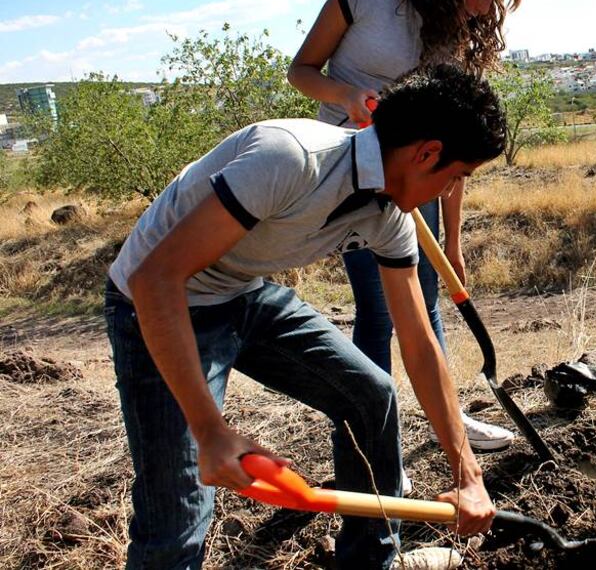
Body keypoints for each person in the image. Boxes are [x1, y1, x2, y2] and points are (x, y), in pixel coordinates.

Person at [105, 66, 502, 569]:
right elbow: (153, 278)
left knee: (371, 396)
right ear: (426, 154)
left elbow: (420, 345)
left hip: (242, 293)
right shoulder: (291, 158)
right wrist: (209, 430)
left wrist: (468, 473)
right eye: (457, 176)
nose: (450, 192)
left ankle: (370, 561)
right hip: (155, 303)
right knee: (180, 507)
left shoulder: (392, 218)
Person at [288, 0, 523, 451]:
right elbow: (300, 70)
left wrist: (454, 246)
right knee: (379, 308)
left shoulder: (455, 37)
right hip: (351, 172)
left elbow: (453, 153)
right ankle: (370, 433)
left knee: (428, 298)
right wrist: (346, 94)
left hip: (417, 182)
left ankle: (451, 423)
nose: (486, 9)